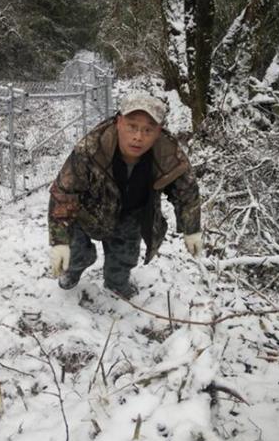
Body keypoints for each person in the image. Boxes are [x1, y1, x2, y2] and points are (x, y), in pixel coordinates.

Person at [48, 91, 202, 298]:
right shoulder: (91, 148)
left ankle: (116, 284)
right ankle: (73, 270)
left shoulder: (168, 154)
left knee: (124, 259)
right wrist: (59, 241)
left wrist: (192, 229)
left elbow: (186, 191)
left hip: (130, 215)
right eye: (132, 126)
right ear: (118, 122)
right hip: (86, 213)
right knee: (74, 254)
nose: (138, 136)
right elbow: (64, 192)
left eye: (148, 129)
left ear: (158, 131)